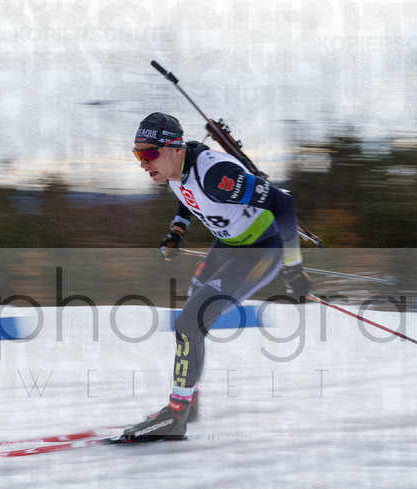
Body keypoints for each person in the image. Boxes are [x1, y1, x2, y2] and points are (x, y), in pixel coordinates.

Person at [119, 112, 310, 442]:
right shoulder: (174, 168)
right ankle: (188, 403)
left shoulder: (216, 176)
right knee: (192, 323)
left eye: (148, 154)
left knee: (188, 322)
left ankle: (176, 416)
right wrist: (177, 231)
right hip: (227, 246)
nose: (143, 163)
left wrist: (294, 269)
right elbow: (186, 197)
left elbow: (283, 203)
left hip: (259, 251)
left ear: (175, 149)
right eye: (138, 155)